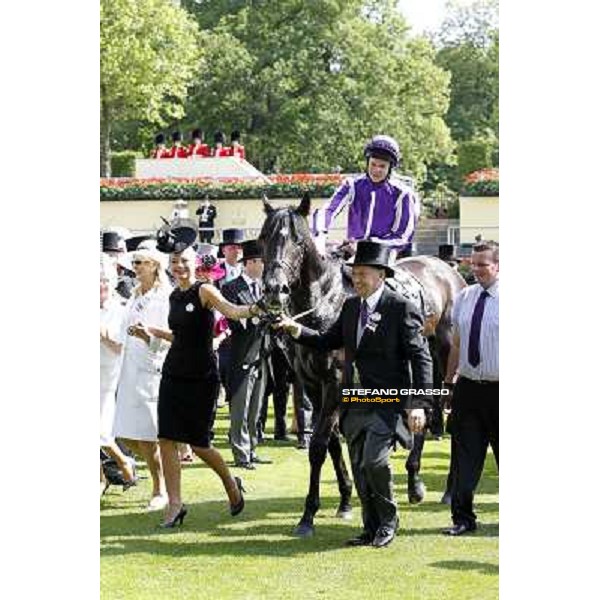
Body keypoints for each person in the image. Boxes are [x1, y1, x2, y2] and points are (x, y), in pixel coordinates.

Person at [275, 240, 433, 548]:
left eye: (363, 274)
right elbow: (326, 340)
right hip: (354, 402)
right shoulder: (350, 307)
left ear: (381, 276)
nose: (357, 279)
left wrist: (419, 404)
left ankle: (389, 521)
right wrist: (295, 330)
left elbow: (421, 357)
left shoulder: (401, 308)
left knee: (375, 462)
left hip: (387, 403)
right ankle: (370, 527)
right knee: (360, 468)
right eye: (355, 273)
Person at [142, 243, 265, 527]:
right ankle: (175, 504)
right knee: (167, 438)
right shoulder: (174, 296)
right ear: (169, 266)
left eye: (184, 261)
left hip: (202, 377)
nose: (179, 267)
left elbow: (232, 311)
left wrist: (257, 308)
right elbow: (180, 336)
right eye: (175, 262)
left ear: (194, 262)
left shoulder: (205, 290)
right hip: (173, 374)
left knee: (199, 444)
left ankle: (230, 482)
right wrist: (151, 332)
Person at [442, 240, 499, 536]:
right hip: (468, 390)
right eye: (473, 264)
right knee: (465, 458)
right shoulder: (464, 297)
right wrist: (448, 383)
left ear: (499, 266)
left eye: (483, 265)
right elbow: (457, 345)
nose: (476, 270)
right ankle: (462, 519)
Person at [112, 246, 172, 511]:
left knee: (148, 434)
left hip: (150, 370)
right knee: (126, 434)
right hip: (128, 370)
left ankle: (161, 489)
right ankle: (156, 473)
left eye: (140, 262)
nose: (135, 267)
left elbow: (169, 336)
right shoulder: (135, 294)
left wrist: (147, 336)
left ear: (154, 266)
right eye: (134, 262)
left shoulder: (163, 297)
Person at [311, 135, 420, 258]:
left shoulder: (404, 194)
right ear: (367, 162)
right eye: (373, 164)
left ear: (390, 167)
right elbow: (327, 210)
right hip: (352, 252)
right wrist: (320, 239)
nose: (376, 170)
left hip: (386, 254)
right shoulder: (352, 185)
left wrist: (367, 244)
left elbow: (403, 236)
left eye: (382, 166)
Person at [221, 240, 272, 469]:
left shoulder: (267, 287)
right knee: (240, 407)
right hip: (241, 352)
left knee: (256, 407)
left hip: (262, 352)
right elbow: (235, 319)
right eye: (262, 262)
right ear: (251, 262)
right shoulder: (231, 288)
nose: (265, 266)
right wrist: (256, 315)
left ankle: (251, 448)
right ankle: (241, 454)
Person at [100, 254, 136, 492]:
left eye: (103, 281)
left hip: (108, 374)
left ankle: (124, 463)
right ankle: (101, 479)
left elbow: (119, 346)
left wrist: (101, 332)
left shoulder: (119, 308)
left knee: (100, 431)